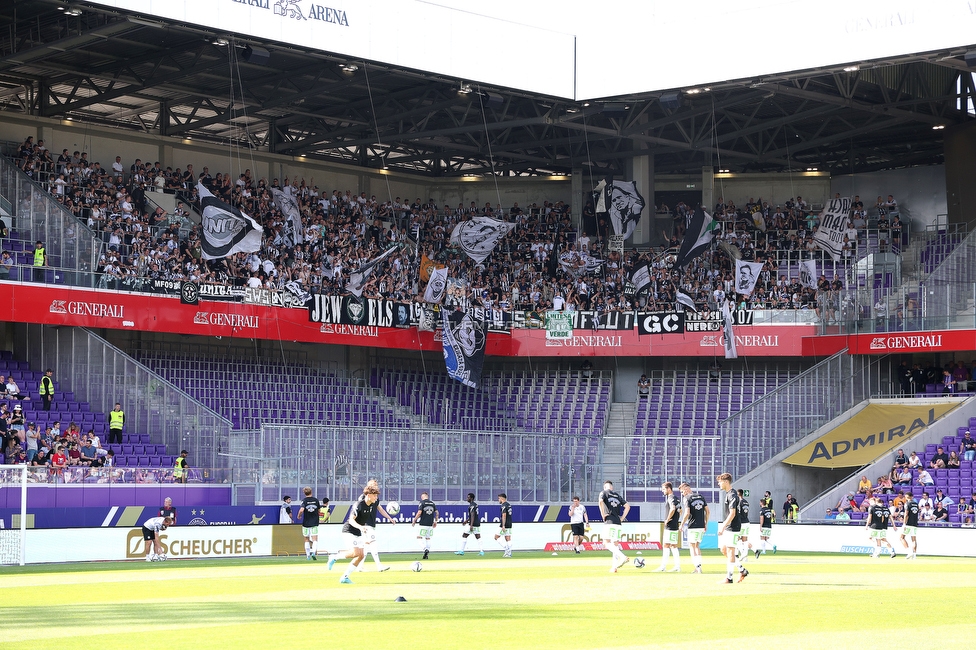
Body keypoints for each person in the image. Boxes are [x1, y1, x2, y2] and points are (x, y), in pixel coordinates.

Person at [328, 483, 380, 584]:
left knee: (360, 555)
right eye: (375, 495)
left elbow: (379, 508)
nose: (376, 497)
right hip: (349, 530)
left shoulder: (372, 504)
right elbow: (351, 520)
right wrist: (361, 527)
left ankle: (345, 577)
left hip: (358, 532)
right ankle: (334, 557)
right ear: (368, 495)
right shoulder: (359, 505)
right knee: (355, 553)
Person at [716, 473, 748, 583]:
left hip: (733, 527)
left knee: (730, 551)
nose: (719, 484)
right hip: (730, 526)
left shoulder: (732, 495)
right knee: (724, 549)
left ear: (726, 481)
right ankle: (741, 569)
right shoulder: (728, 494)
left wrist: (723, 527)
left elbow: (733, 513)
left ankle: (729, 578)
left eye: (720, 482)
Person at [358, 479, 393, 571]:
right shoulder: (363, 497)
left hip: (371, 524)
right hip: (366, 524)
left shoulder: (375, 498)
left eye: (376, 485)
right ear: (368, 486)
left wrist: (389, 518)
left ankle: (360, 566)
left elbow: (380, 509)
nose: (376, 486)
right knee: (373, 543)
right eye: (373, 485)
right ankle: (379, 566)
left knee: (366, 546)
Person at [598, 480, 631, 573]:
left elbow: (600, 502)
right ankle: (614, 567)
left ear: (605, 487)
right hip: (618, 523)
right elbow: (628, 506)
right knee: (615, 544)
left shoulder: (603, 493)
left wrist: (603, 514)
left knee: (606, 542)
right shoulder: (617, 495)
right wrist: (622, 518)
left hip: (609, 521)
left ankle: (623, 557)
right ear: (612, 487)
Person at [678, 482, 708, 574]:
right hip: (701, 526)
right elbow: (708, 511)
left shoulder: (687, 498)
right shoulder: (701, 496)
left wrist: (682, 524)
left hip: (692, 526)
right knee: (697, 546)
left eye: (682, 492)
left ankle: (697, 567)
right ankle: (698, 567)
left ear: (686, 489)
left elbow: (687, 513)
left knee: (691, 546)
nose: (682, 494)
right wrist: (706, 523)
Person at [655, 482, 681, 572]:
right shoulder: (677, 498)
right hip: (675, 525)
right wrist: (676, 519)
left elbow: (673, 508)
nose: (662, 491)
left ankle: (663, 567)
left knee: (666, 545)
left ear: (668, 489)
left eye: (663, 489)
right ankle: (677, 566)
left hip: (670, 526)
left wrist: (667, 519)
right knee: (673, 546)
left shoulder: (671, 498)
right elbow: (680, 510)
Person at [411, 491, 438, 560]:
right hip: (430, 524)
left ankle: (425, 549)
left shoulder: (422, 503)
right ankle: (427, 552)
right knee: (428, 538)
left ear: (422, 497)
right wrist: (435, 521)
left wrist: (414, 520)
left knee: (419, 537)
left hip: (423, 523)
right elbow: (437, 513)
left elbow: (419, 512)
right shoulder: (432, 503)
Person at [298, 486, 321, 561]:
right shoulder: (316, 500)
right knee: (315, 539)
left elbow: (301, 510)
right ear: (311, 492)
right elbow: (319, 511)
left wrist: (299, 515)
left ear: (304, 493)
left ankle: (308, 555)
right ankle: (313, 552)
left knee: (306, 539)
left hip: (306, 523)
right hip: (314, 522)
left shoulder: (304, 501)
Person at [899, 493, 919, 560]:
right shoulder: (916, 504)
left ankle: (908, 552)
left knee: (902, 538)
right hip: (915, 523)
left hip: (908, 524)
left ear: (906, 497)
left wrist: (904, 523)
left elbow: (906, 514)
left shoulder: (907, 504)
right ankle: (914, 555)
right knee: (913, 540)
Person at [494, 493, 513, 558]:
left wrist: (503, 525)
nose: (498, 500)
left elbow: (504, 515)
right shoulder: (509, 505)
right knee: (508, 538)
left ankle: (506, 548)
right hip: (509, 523)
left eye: (499, 498)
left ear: (502, 498)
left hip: (504, 524)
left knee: (496, 537)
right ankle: (509, 553)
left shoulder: (504, 506)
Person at [736, 488, 753, 561]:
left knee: (737, 539)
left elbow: (738, 512)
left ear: (738, 494)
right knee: (745, 540)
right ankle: (745, 557)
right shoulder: (746, 502)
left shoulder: (739, 502)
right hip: (747, 521)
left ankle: (742, 554)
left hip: (741, 522)